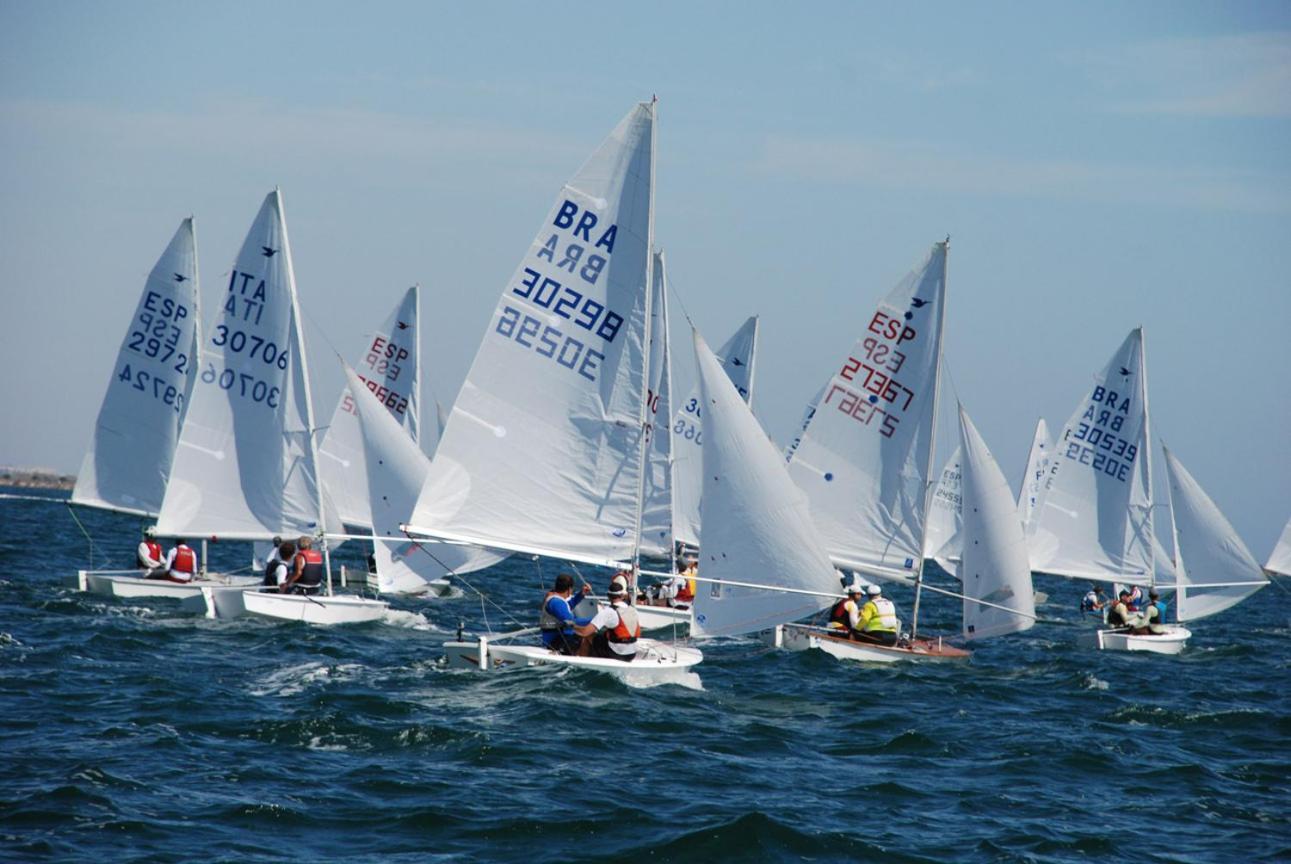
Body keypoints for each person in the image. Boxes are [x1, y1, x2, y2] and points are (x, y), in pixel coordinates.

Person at [578, 575, 640, 662]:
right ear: (622, 596)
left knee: (589, 635)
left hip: (617, 654)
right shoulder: (632, 610)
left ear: (608, 596)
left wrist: (572, 626)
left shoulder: (608, 612)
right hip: (632, 654)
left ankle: (581, 662)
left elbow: (584, 632)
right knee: (604, 636)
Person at [539, 573, 594, 654]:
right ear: (569, 590)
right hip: (554, 641)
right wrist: (595, 619)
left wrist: (581, 594)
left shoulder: (557, 600)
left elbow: (568, 605)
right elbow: (571, 621)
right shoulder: (556, 602)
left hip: (557, 636)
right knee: (586, 634)